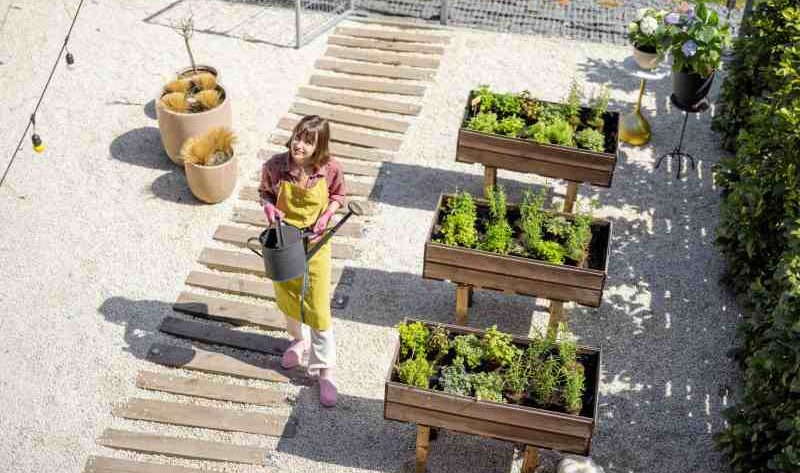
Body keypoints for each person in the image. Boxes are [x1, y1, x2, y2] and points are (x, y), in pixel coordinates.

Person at [258, 115, 346, 407]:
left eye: (308, 142)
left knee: (319, 308)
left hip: (317, 245)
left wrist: (327, 215)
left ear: (319, 146)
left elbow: (338, 195)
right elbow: (266, 195)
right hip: (285, 242)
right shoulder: (275, 166)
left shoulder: (330, 169)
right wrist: (269, 210)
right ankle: (298, 340)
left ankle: (326, 371)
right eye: (298, 137)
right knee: (288, 297)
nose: (299, 144)